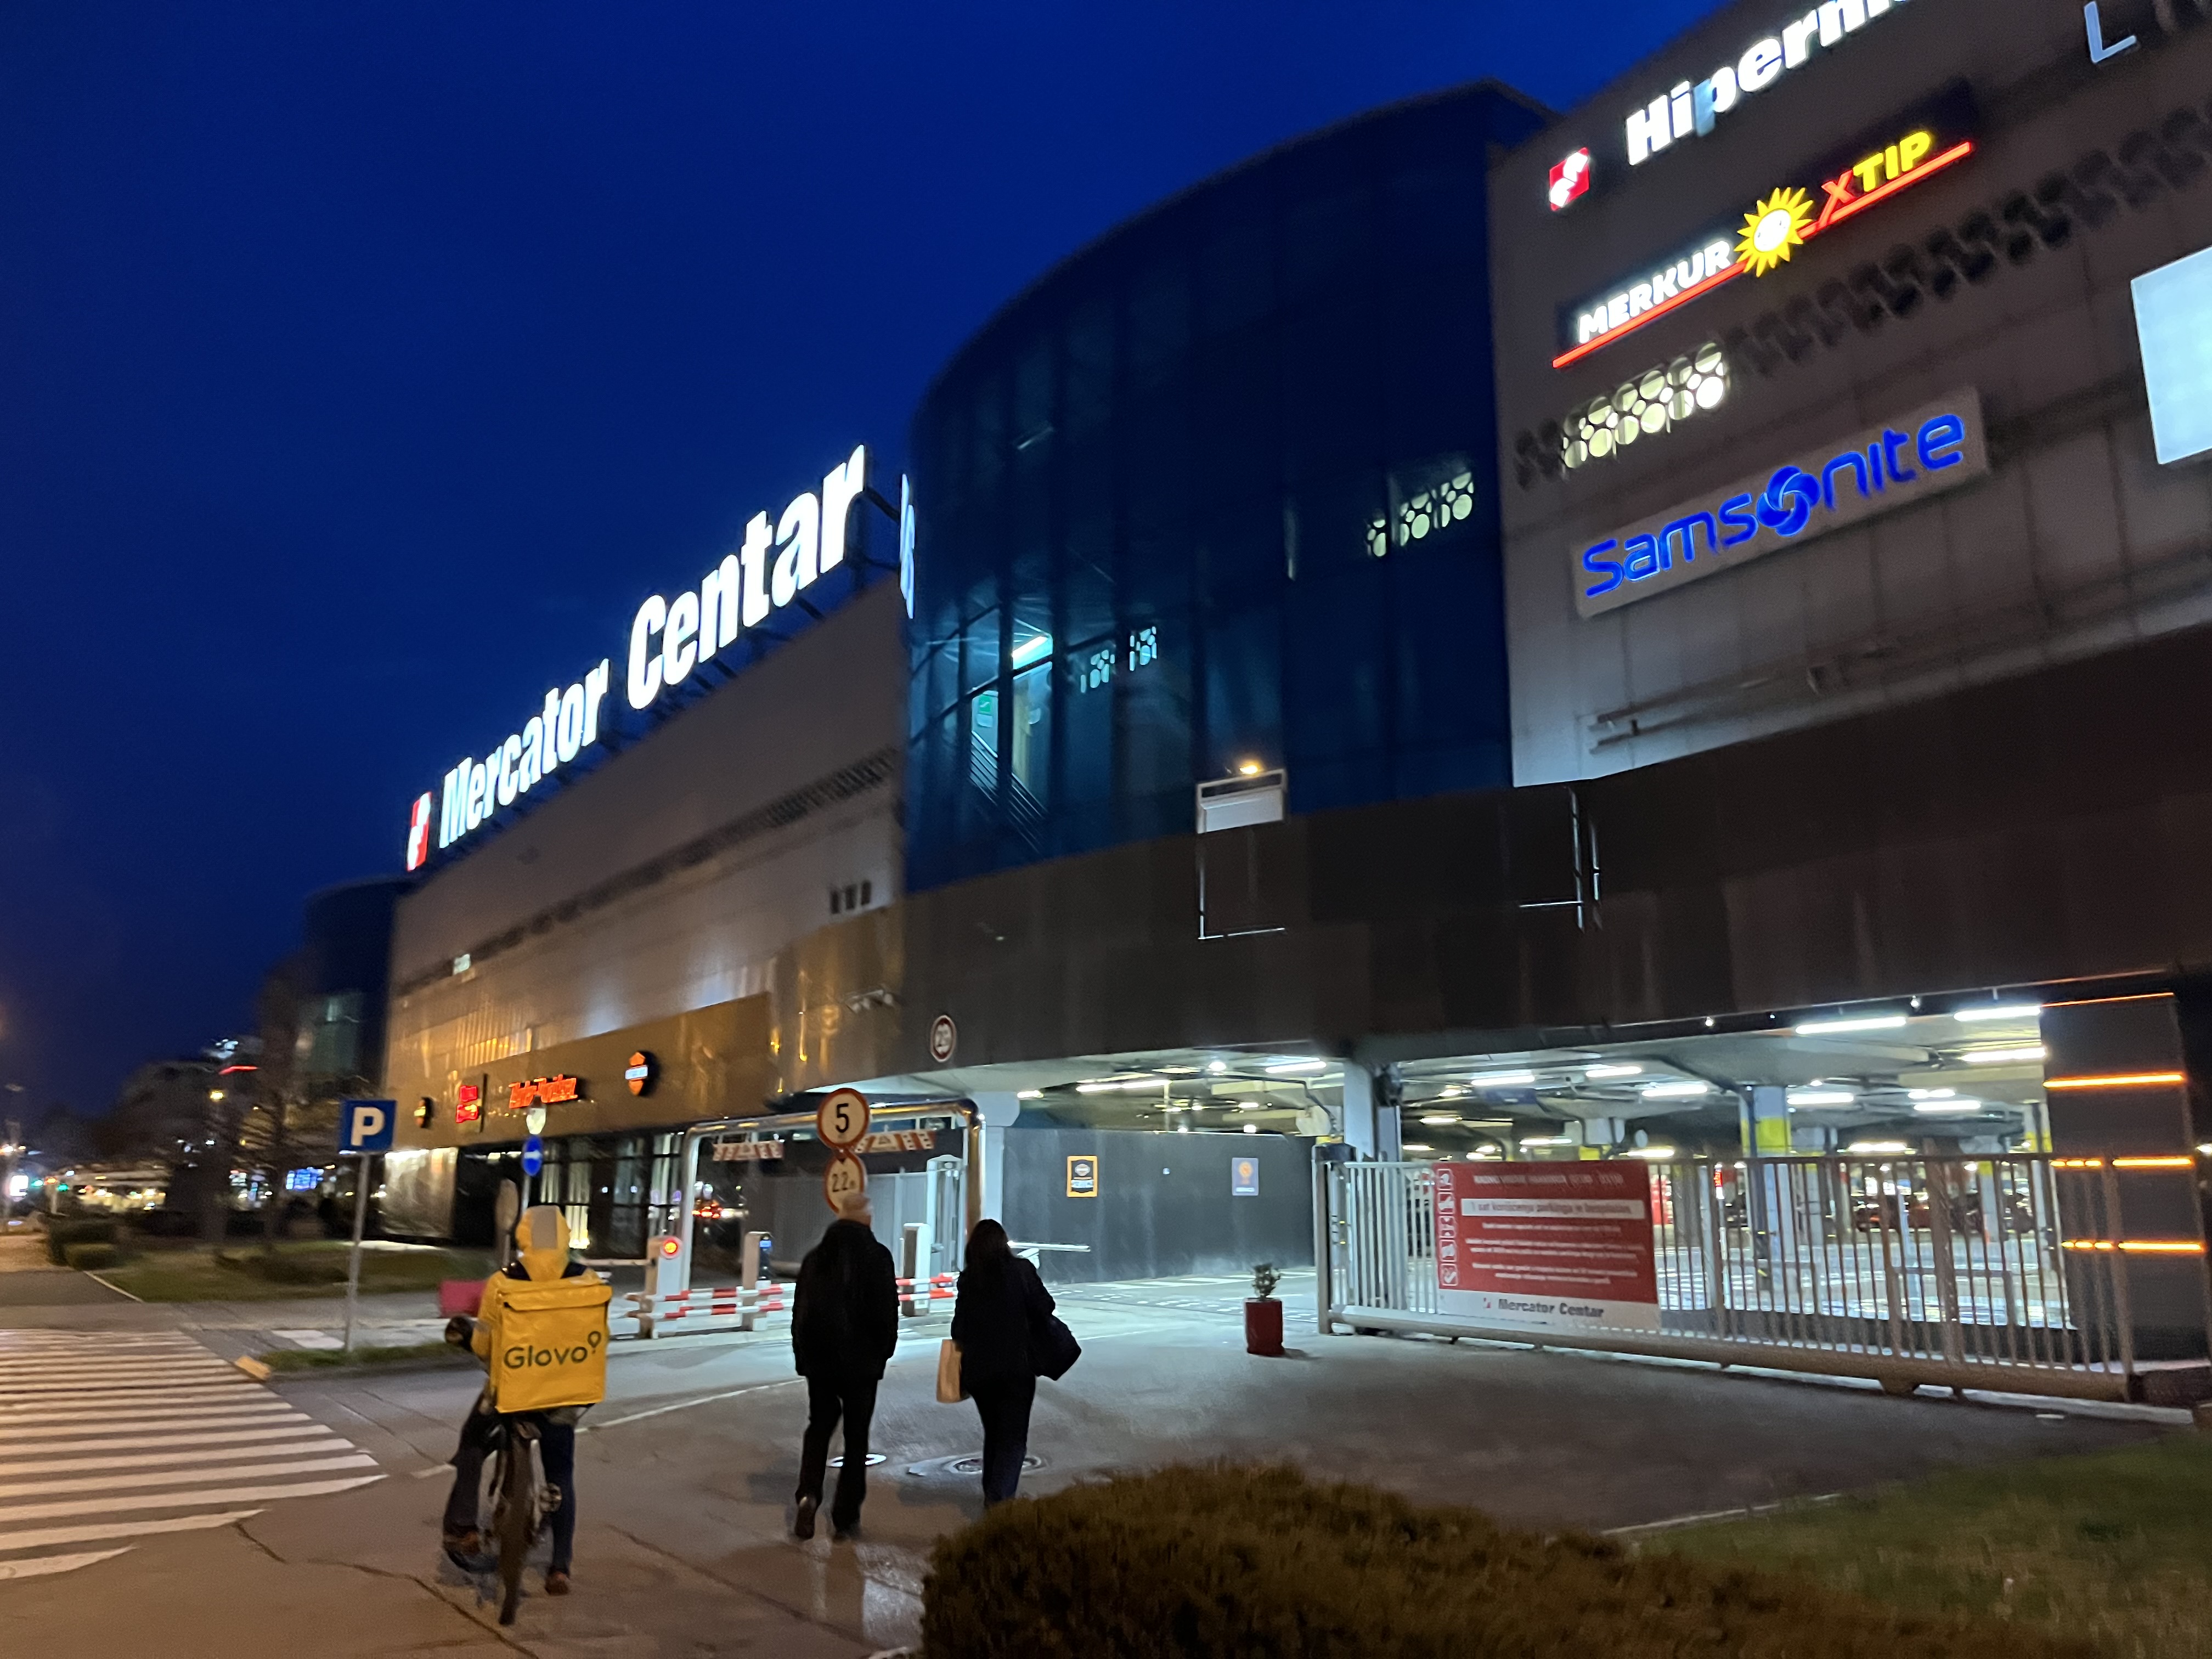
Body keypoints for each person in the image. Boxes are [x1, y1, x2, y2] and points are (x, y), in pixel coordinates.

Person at [441, 1205, 612, 1596]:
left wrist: (471, 1341)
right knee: (560, 1475)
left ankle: (465, 1526)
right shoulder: (587, 1281)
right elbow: (598, 1337)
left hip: (511, 1396)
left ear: (524, 1237)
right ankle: (560, 1568)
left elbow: (484, 1344)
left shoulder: (503, 1283)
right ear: (564, 1236)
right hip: (565, 1396)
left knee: (471, 1440)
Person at [790, 1193, 900, 1541]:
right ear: (867, 1219)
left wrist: (803, 1356)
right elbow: (887, 1312)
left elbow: (800, 1311)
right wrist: (883, 1353)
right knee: (856, 1438)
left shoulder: (816, 1257)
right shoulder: (878, 1257)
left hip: (820, 1362)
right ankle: (845, 1516)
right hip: (862, 1365)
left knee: (819, 1427)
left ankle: (809, 1495)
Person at [949, 1218, 1054, 1505]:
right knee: (1013, 1440)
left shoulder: (970, 1279)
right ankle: (999, 1503)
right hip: (1016, 1370)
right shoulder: (1022, 1271)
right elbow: (1046, 1306)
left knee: (994, 1434)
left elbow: (958, 1330)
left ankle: (994, 1496)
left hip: (980, 1374)